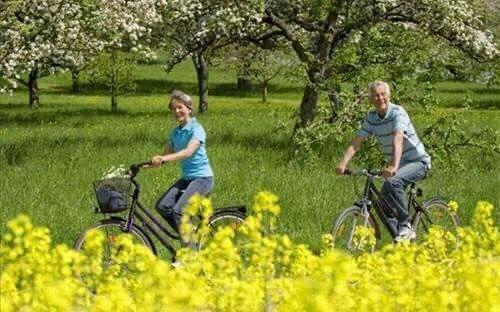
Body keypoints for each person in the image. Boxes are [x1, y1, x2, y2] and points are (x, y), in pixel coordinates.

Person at [336, 81, 431, 241]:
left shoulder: (397, 113)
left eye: (382, 94)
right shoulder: (372, 117)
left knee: (393, 182)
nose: (379, 98)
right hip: (398, 166)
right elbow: (357, 141)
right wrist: (343, 163)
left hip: (418, 162)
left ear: (389, 96)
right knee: (381, 204)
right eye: (375, 95)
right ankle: (403, 244)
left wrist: (393, 165)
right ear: (371, 99)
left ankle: (405, 225)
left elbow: (398, 139)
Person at [150, 90, 214, 246]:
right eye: (173, 109)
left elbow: (188, 152)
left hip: (203, 179)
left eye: (180, 107)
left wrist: (164, 158)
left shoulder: (197, 129)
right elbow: (164, 156)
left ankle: (189, 256)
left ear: (189, 109)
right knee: (163, 206)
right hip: (187, 179)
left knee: (180, 211)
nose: (176, 111)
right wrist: (143, 165)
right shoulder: (175, 133)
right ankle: (189, 236)